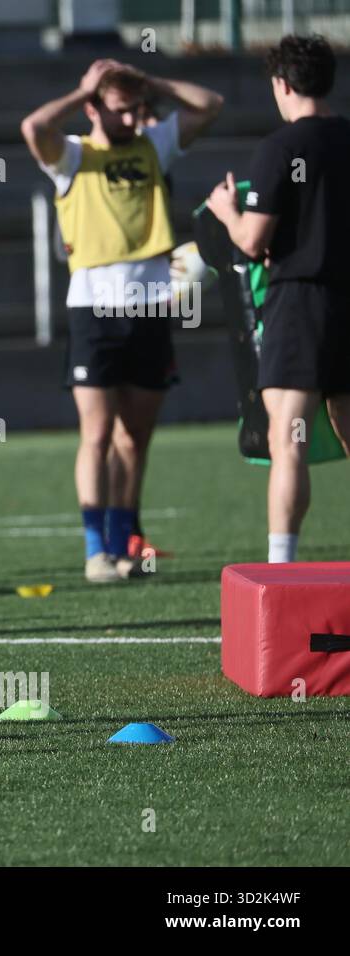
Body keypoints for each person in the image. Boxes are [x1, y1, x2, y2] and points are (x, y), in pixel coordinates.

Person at [21, 59, 222, 582]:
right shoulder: (72, 155)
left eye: (139, 110)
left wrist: (151, 85)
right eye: (121, 110)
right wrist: (82, 88)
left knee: (135, 437)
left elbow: (210, 104)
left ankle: (125, 543)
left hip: (153, 304)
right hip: (94, 308)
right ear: (92, 108)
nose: (134, 119)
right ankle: (95, 552)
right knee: (98, 432)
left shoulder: (153, 144)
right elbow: (33, 128)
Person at [205, 34, 350, 562]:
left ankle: (281, 568)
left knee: (289, 444)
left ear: (282, 84)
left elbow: (251, 240)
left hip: (302, 307)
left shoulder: (283, 148)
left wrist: (226, 209)